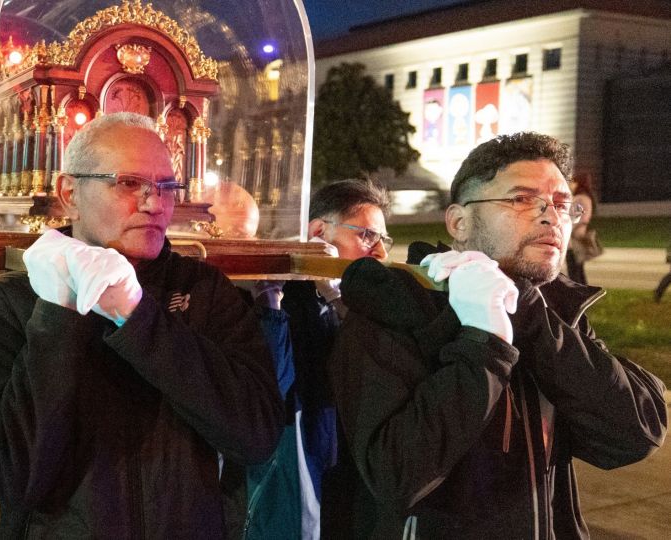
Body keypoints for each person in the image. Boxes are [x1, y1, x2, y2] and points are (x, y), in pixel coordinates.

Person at [0, 112, 283, 537]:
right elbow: (9, 473)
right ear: (69, 193)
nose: (154, 203)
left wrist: (137, 317)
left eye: (167, 186)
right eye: (129, 183)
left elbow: (257, 437)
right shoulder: (10, 302)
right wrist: (60, 313)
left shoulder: (204, 291)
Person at [330, 132, 667, 538]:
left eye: (562, 204)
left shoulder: (556, 312)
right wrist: (483, 342)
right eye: (522, 199)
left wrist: (525, 312)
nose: (551, 217)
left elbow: (636, 433)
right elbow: (396, 474)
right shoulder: (395, 306)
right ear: (459, 221)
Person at [246, 179, 392, 539]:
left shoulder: (339, 302)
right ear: (318, 233)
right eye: (367, 236)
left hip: (342, 486)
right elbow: (271, 393)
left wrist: (341, 302)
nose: (380, 253)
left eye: (383, 240)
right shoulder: (277, 295)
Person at [564, 172, 597, 284]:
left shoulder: (579, 199)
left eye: (572, 182)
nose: (570, 185)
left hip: (573, 240)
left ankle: (577, 295)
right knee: (579, 270)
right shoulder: (586, 197)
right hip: (579, 236)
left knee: (573, 271)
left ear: (578, 183)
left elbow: (574, 218)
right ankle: (584, 293)